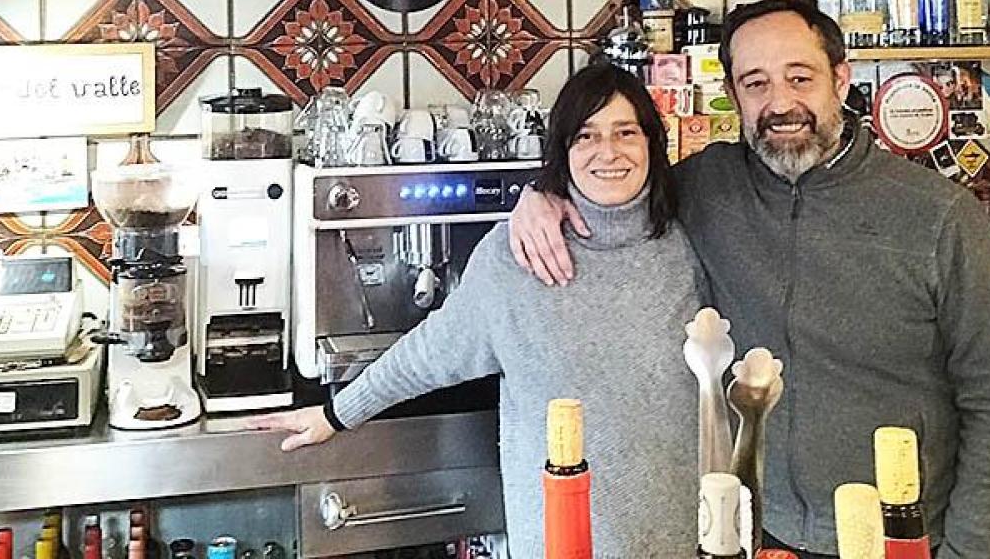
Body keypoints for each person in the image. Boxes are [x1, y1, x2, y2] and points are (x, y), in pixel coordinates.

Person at [509, 0, 990, 559]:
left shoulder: (939, 215)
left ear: (840, 80)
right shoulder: (706, 186)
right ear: (733, 94)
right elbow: (613, 185)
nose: (780, 103)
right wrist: (540, 194)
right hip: (758, 532)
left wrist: (973, 551)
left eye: (800, 77)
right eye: (756, 83)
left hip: (900, 537)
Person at [251, 63, 704, 557]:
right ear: (562, 150)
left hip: (683, 537)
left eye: (626, 132)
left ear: (651, 142)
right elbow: (427, 353)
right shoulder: (516, 258)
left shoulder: (692, 243)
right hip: (556, 544)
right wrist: (335, 414)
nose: (609, 151)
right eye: (586, 136)